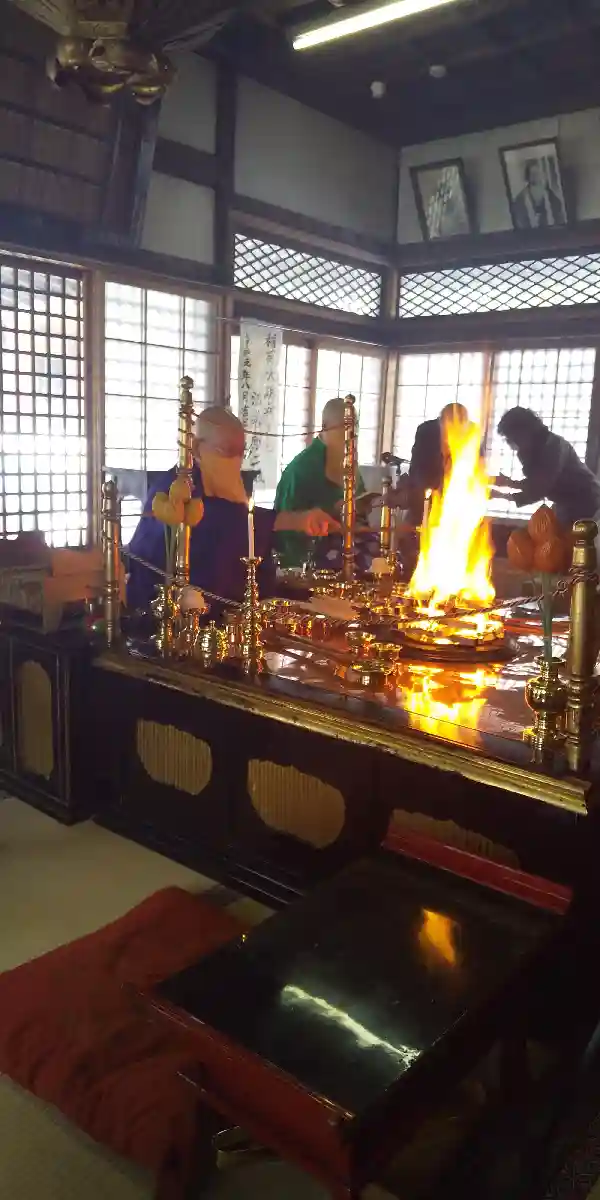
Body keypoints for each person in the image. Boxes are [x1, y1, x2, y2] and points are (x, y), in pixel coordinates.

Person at [127, 407, 337, 611]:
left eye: (240, 452)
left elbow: (243, 516)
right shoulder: (174, 488)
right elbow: (224, 518)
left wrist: (300, 520)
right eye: (227, 451)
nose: (235, 461)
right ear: (197, 448)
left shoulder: (218, 480)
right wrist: (294, 520)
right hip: (159, 605)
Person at [274, 397, 368, 569]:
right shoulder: (301, 468)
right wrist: (332, 512)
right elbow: (285, 526)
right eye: (345, 427)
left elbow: (361, 510)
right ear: (325, 426)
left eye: (355, 427)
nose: (352, 434)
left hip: (348, 543)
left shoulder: (350, 464)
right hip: (308, 554)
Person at [494, 407, 600, 532]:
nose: (512, 444)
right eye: (509, 440)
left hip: (589, 504)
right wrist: (509, 483)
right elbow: (536, 482)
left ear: (526, 431)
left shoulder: (553, 447)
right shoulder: (533, 450)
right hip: (567, 505)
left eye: (513, 439)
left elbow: (539, 489)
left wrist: (500, 495)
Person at [512, 159, 565, 230]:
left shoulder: (551, 196)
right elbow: (519, 221)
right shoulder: (520, 199)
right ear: (528, 177)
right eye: (533, 174)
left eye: (538, 173)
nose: (536, 176)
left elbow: (560, 216)